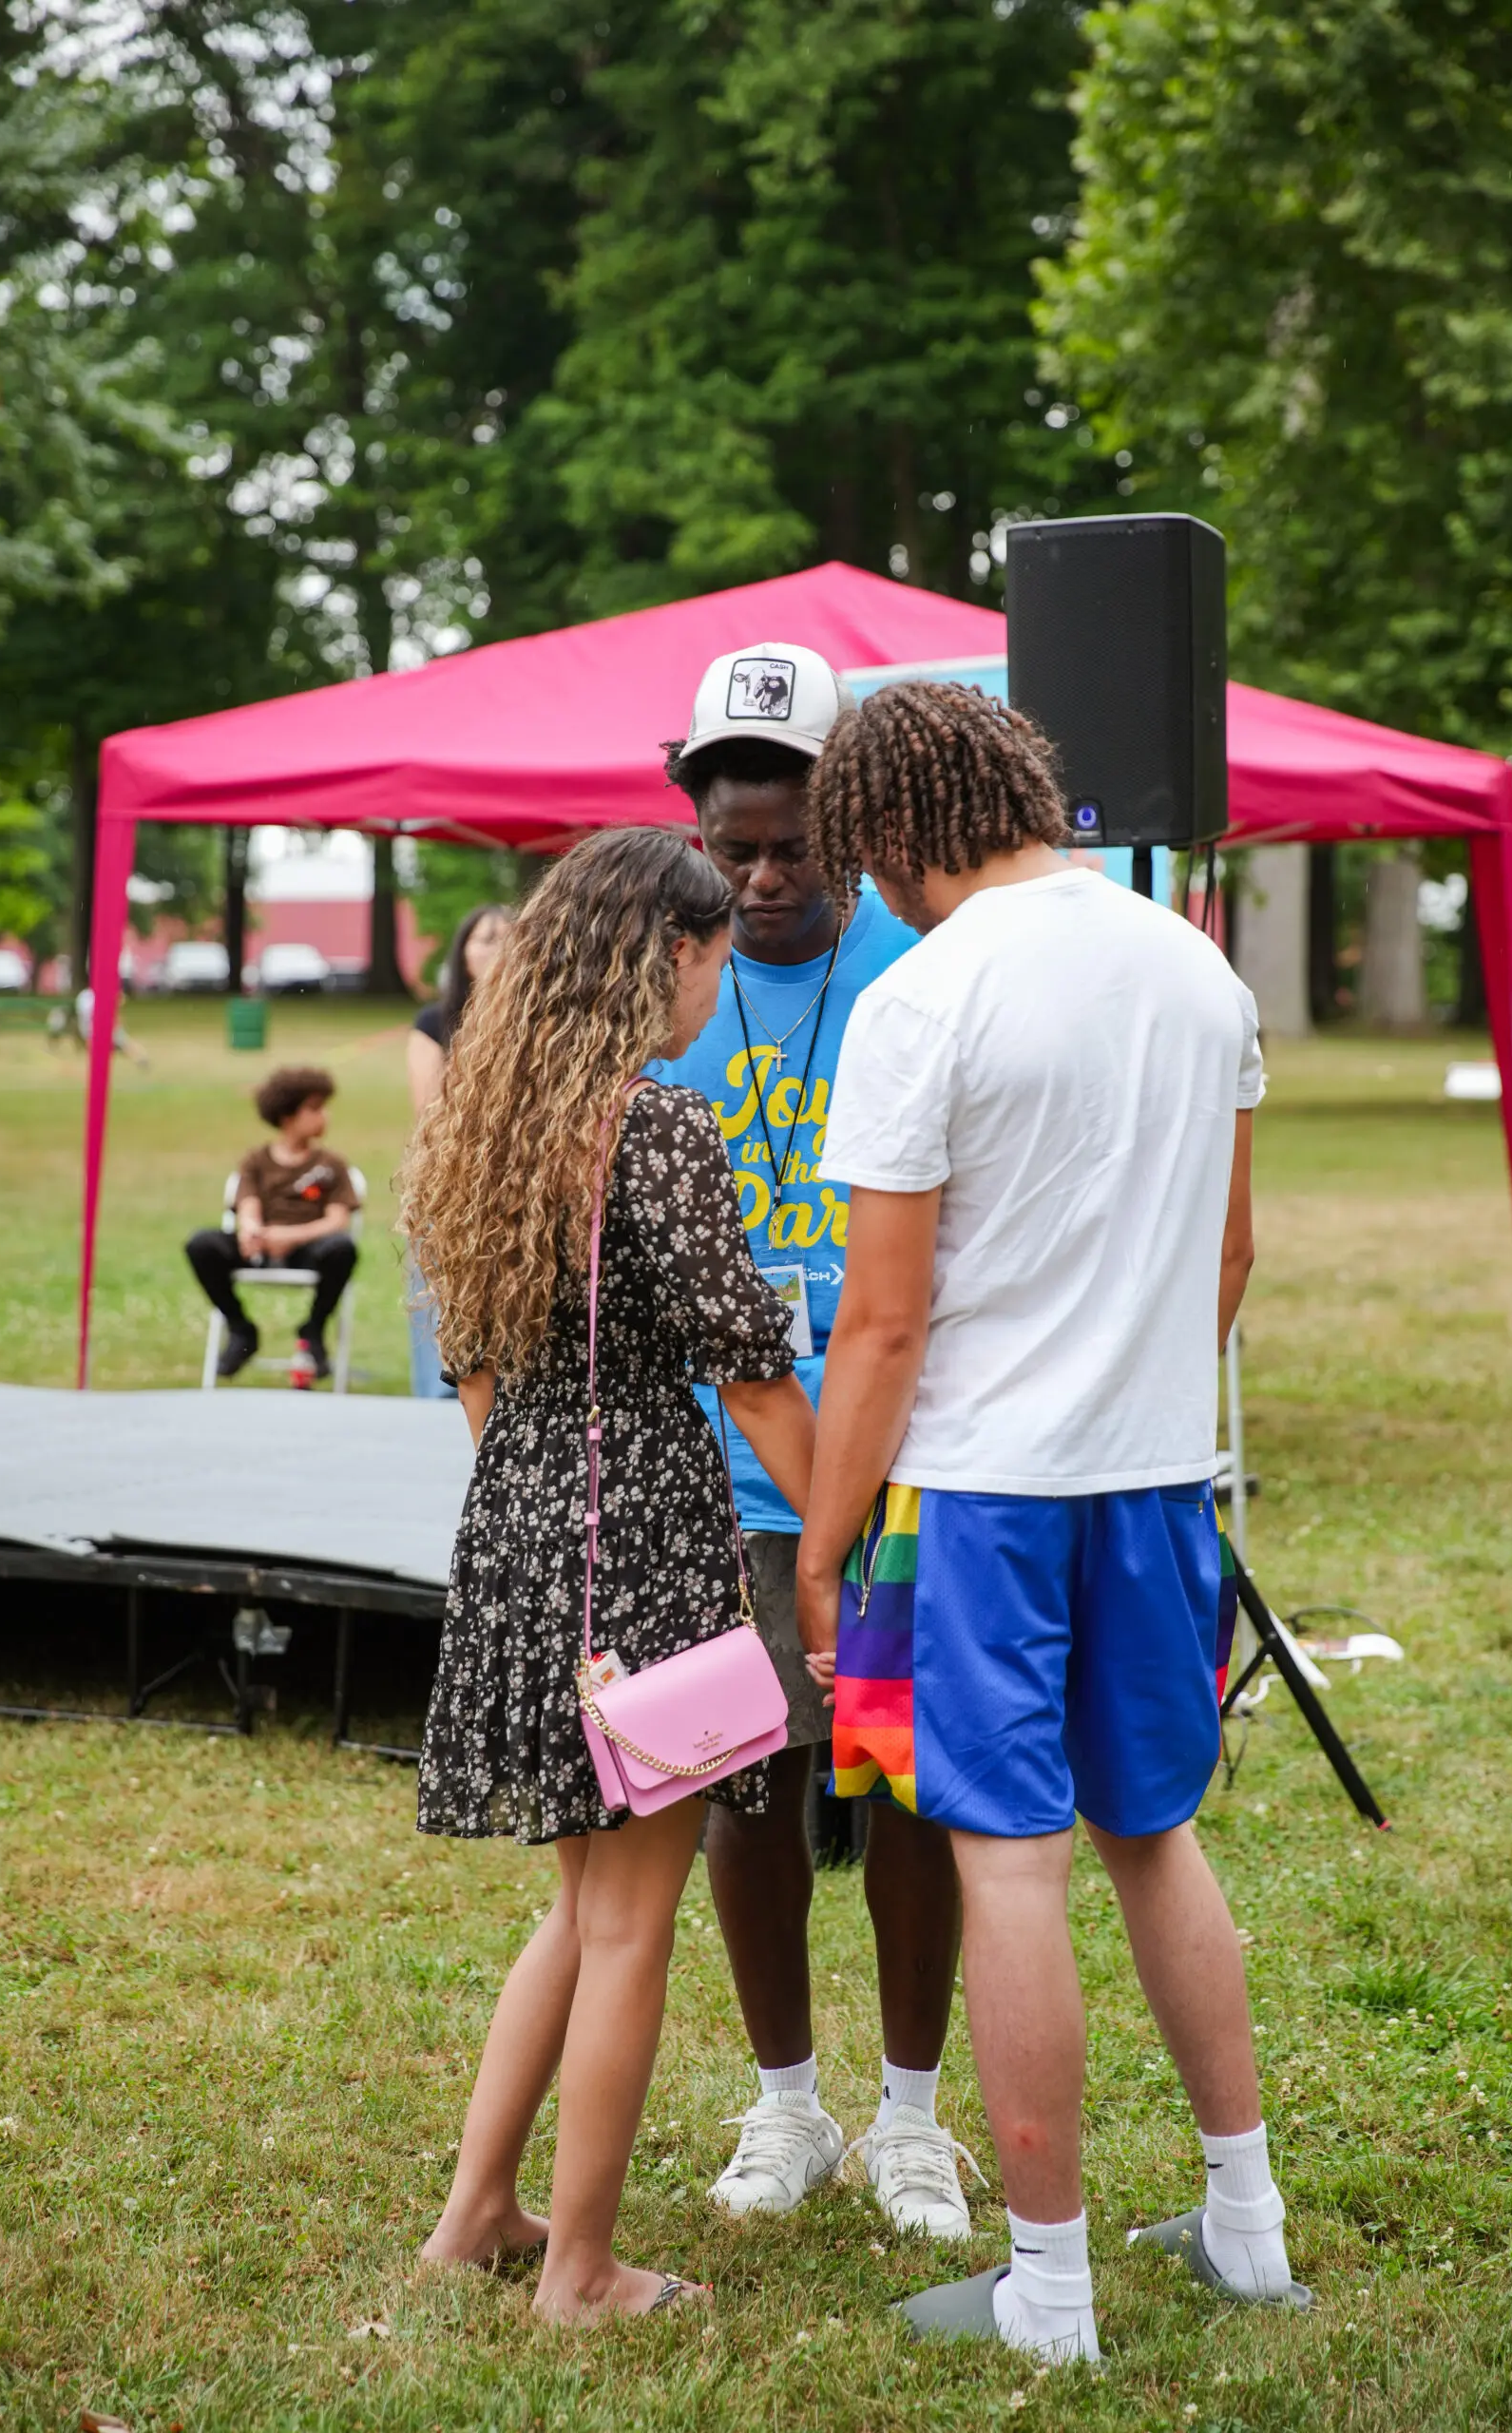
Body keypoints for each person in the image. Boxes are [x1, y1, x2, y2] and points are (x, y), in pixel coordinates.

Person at [795, 683, 1306, 2365]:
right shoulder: (1196, 965)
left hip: (973, 1503)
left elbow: (876, 1328)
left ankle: (1053, 2294)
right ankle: (1246, 2230)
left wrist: (821, 1536)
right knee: (1155, 1834)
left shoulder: (919, 998)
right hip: (1159, 1484)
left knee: (1005, 1866)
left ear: (883, 832)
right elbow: (1228, 1260)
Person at [401, 827, 817, 2324]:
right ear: (671, 956)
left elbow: (467, 1362)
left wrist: (536, 1483)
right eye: (713, 955)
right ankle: (577, 2269)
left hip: (517, 1519)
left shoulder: (482, 1120)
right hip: (630, 1539)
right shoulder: (652, 1127)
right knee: (633, 1917)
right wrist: (823, 1547)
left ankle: (477, 2217)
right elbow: (755, 1376)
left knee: (578, 1911)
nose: (722, 980)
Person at [654, 642, 972, 2238]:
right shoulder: (663, 992)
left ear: (849, 829)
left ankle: (911, 2121)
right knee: (743, 1789)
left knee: (909, 1783)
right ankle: (786, 2104)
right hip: (717, 1479)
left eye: (793, 845)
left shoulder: (925, 972)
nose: (764, 879)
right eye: (736, 850)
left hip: (903, 1463)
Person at [185, 1065, 359, 1386]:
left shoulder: (330, 1165)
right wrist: (251, 1230)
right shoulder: (256, 1161)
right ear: (287, 1115)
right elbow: (247, 1205)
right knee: (201, 1245)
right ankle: (240, 1327)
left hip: (308, 1248)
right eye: (315, 1108)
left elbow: (337, 1220)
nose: (324, 1116)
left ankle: (314, 1329)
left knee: (342, 1249)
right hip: (260, 1246)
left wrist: (290, 1236)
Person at [405, 902, 511, 1398]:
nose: (497, 948)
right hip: (453, 1176)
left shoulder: (535, 1022)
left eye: (508, 937)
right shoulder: (435, 1022)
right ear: (462, 950)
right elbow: (430, 1110)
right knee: (441, 1288)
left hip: (516, 1177)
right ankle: (438, 1393)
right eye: (485, 938)